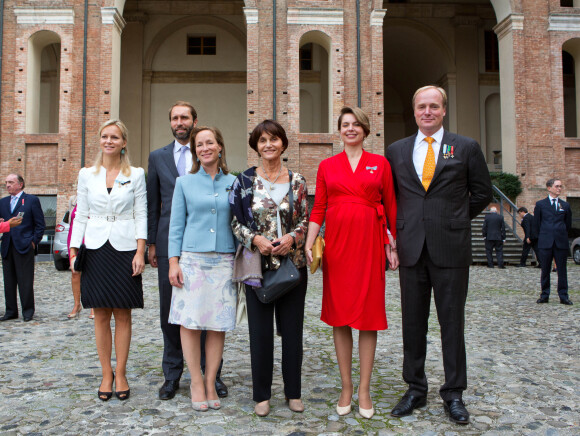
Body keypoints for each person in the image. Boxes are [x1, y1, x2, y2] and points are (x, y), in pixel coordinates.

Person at [386, 86, 492, 425]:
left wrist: (455, 218)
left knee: (451, 323)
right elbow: (393, 197)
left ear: (444, 110)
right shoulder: (397, 150)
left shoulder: (465, 147)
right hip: (411, 248)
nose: (427, 112)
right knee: (413, 324)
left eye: (434, 106)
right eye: (421, 107)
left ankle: (454, 393)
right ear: (414, 111)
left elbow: (481, 193)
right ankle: (415, 387)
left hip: (451, 248)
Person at [304, 107, 397, 419]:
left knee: (368, 316)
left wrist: (391, 244)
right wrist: (308, 240)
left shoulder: (380, 164)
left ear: (366, 130)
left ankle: (364, 389)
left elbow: (391, 207)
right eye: (345, 124)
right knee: (340, 316)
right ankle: (346, 386)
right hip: (338, 249)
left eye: (356, 124)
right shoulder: (328, 165)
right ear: (339, 131)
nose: (350, 129)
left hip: (370, 245)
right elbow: (318, 207)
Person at [147, 101, 229, 400]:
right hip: (170, 240)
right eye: (175, 118)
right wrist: (154, 243)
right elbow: (153, 203)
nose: (179, 122)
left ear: (195, 121)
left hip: (207, 249)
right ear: (170, 122)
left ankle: (212, 375)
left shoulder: (206, 157)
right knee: (173, 312)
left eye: (185, 117)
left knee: (209, 312)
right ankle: (172, 375)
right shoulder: (157, 157)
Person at [230, 120, 309, 417]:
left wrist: (292, 238)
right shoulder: (245, 181)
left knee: (292, 333)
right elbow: (235, 223)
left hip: (292, 267)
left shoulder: (298, 181)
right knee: (259, 333)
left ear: (283, 144)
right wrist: (256, 240)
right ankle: (261, 395)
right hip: (257, 268)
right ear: (256, 146)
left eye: (274, 139)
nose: (268, 145)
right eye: (262, 140)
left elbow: (305, 220)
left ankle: (294, 393)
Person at [69, 119, 147, 401]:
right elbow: (81, 214)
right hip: (96, 246)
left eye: (115, 137)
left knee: (123, 312)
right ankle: (106, 373)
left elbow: (142, 214)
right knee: (100, 314)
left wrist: (140, 251)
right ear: (100, 140)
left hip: (126, 247)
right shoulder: (87, 174)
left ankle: (122, 372)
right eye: (105, 136)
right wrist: (74, 249)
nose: (109, 141)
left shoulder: (136, 174)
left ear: (124, 142)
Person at [167, 126, 236, 412]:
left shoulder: (235, 182)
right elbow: (176, 225)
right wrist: (173, 261)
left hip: (224, 260)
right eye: (199, 144)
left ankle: (210, 381)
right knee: (190, 323)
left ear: (220, 146)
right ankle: (195, 379)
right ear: (195, 150)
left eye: (210, 142)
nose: (204, 148)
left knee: (217, 325)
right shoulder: (184, 183)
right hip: (192, 259)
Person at [0, 174, 45, 322]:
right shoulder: (3, 202)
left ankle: (28, 311)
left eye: (11, 182)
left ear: (20, 184)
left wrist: (33, 241)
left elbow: (40, 224)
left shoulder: (31, 200)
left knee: (25, 280)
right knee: (9, 281)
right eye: (6, 182)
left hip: (24, 245)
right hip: (7, 245)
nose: (7, 185)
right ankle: (11, 311)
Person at [534, 178, 573, 305]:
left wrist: (560, 233)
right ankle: (545, 294)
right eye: (557, 186)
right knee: (545, 269)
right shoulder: (541, 205)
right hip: (545, 242)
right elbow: (537, 223)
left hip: (560, 242)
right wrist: (544, 235)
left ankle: (563, 296)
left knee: (562, 270)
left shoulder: (565, 205)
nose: (559, 188)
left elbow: (568, 224)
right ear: (549, 188)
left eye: (560, 186)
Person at [66, 196, 83, 319]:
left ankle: (93, 305)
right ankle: (77, 304)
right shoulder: (73, 200)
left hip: (90, 236)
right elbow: (69, 220)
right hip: (73, 237)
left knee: (92, 272)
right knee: (75, 272)